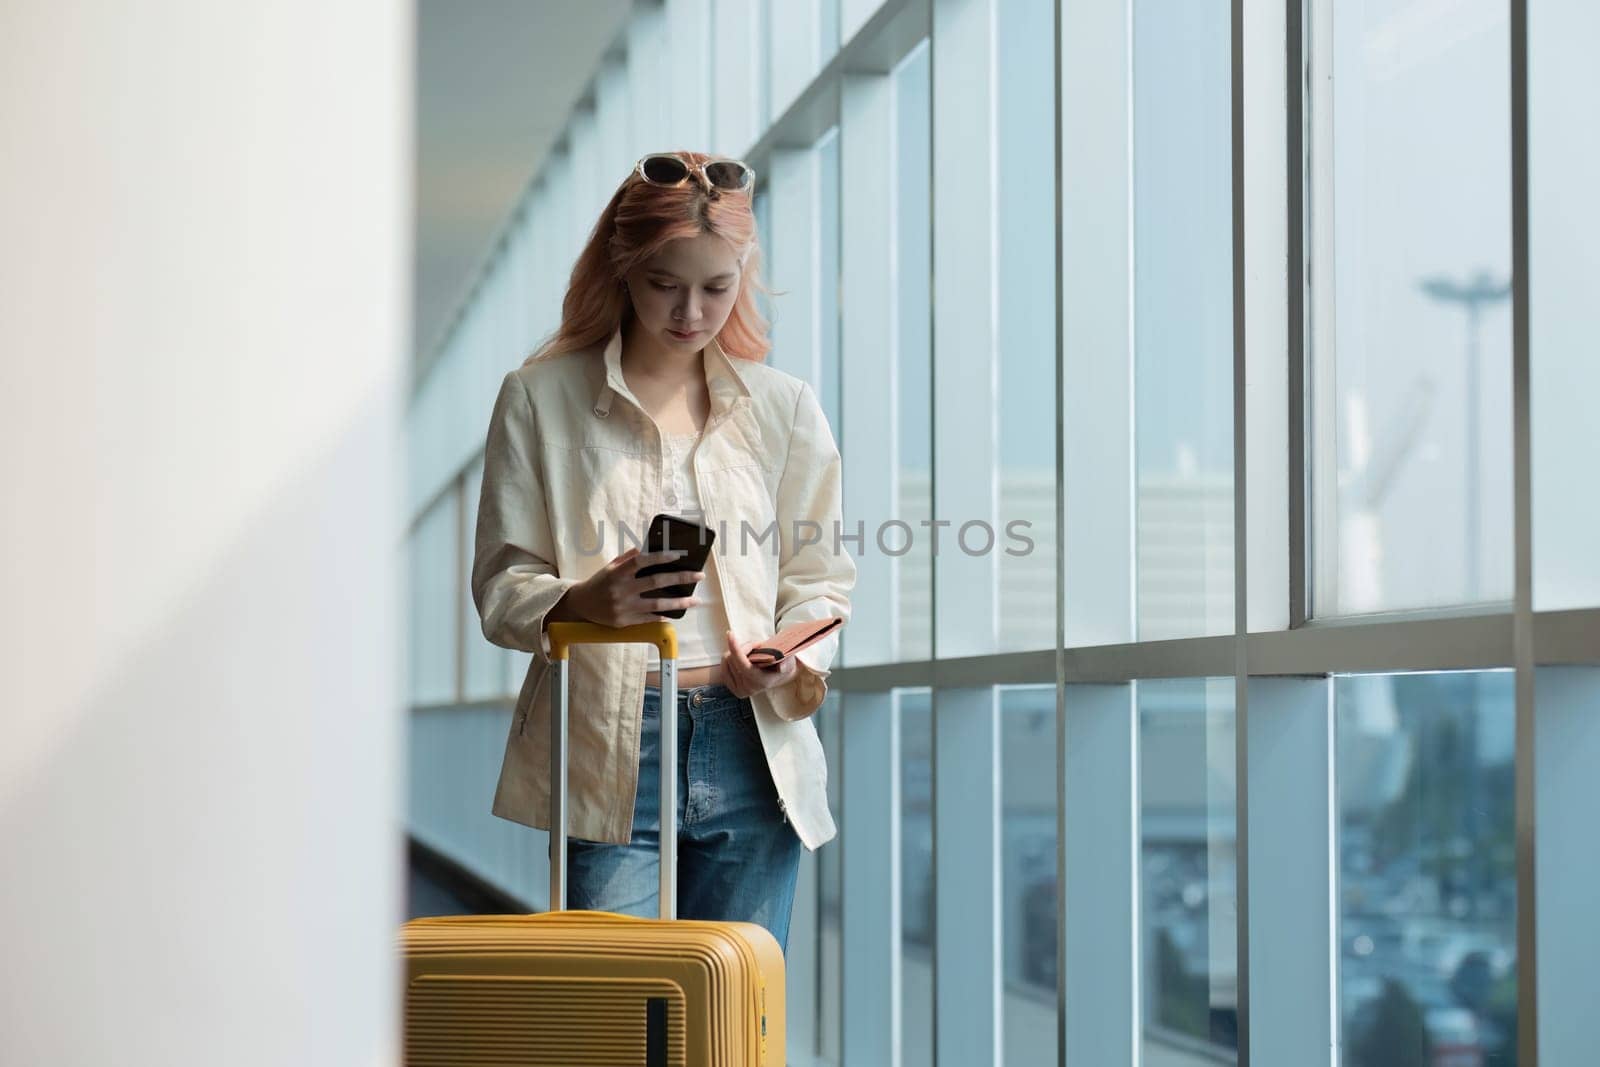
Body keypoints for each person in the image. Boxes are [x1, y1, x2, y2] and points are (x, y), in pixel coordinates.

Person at [471, 150, 856, 954]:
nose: (690, 312)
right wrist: (581, 604)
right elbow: (503, 585)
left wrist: (785, 654)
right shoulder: (539, 399)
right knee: (622, 1019)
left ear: (741, 277)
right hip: (615, 741)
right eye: (664, 285)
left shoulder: (783, 408)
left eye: (716, 288)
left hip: (752, 741)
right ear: (623, 270)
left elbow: (820, 580)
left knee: (733, 1015)